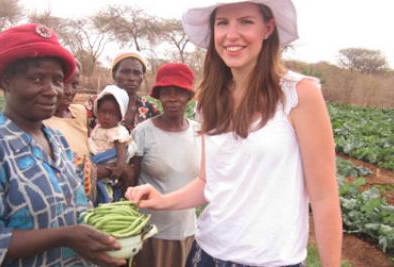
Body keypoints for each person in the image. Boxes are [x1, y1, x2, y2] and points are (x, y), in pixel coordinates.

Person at [125, 1, 342, 267]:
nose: (231, 34)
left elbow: (324, 198)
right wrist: (162, 201)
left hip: (271, 261)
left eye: (246, 21)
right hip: (206, 253)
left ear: (267, 28)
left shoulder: (299, 94)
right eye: (222, 23)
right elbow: (208, 183)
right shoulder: (210, 101)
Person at [0, 23, 125, 267]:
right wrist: (65, 236)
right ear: (6, 81)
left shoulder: (56, 139)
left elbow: (78, 207)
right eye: (37, 78)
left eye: (57, 80)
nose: (52, 91)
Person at [130, 63, 200, 267]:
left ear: (189, 97)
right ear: (158, 96)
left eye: (179, 92)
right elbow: (132, 182)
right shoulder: (143, 132)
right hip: (151, 232)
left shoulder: (199, 132)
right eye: (166, 92)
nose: (172, 98)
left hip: (187, 230)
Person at [44, 63, 96, 200]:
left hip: (86, 195)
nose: (69, 91)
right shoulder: (42, 122)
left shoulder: (80, 112)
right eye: (63, 83)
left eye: (74, 85)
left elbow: (88, 152)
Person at [86, 51, 160, 132]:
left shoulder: (151, 108)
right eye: (125, 72)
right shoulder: (95, 103)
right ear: (114, 74)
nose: (131, 78)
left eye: (137, 73)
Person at [88, 85, 136, 203]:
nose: (107, 117)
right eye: (103, 112)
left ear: (120, 116)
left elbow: (121, 148)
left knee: (107, 194)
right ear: (97, 111)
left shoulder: (117, 131)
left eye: (112, 113)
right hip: (95, 164)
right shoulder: (97, 127)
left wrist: (119, 166)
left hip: (109, 164)